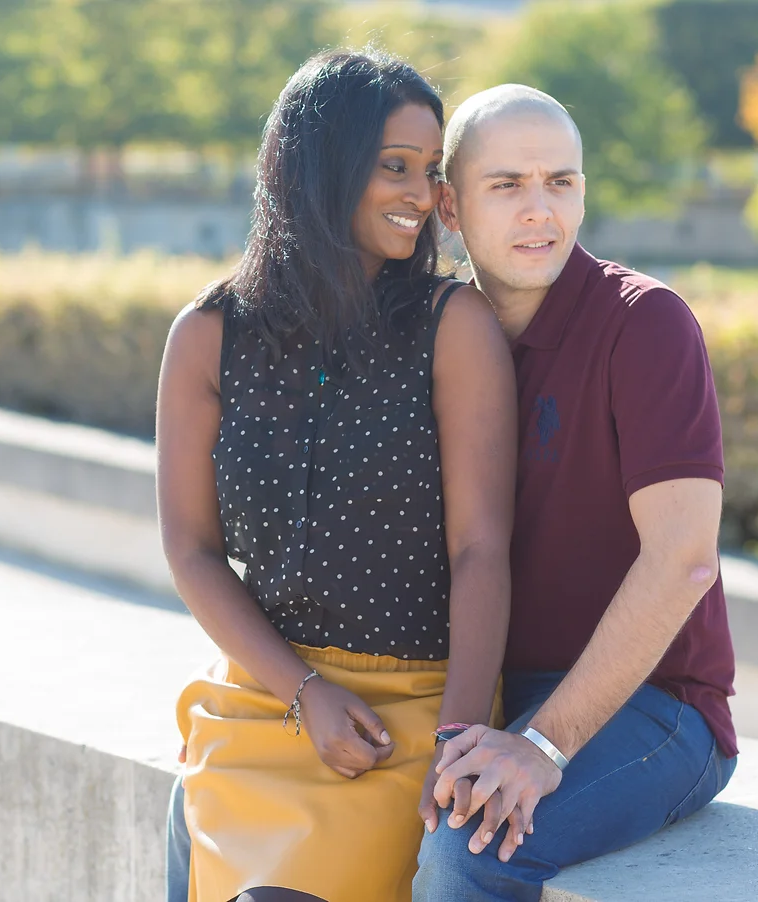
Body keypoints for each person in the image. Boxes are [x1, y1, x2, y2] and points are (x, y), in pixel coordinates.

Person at [156, 50, 517, 902]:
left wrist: (458, 740)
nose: (420, 195)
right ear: (320, 166)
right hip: (265, 703)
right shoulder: (208, 334)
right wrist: (303, 692)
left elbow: (481, 550)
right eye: (394, 167)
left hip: (416, 707)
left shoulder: (450, 323)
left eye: (430, 173)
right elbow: (192, 551)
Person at [409, 84, 739, 901]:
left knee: (469, 851)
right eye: (507, 184)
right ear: (449, 206)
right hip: (489, 688)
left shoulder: (646, 324)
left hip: (659, 710)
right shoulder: (439, 334)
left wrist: (543, 747)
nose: (540, 210)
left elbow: (683, 561)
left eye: (561, 182)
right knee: (224, 790)